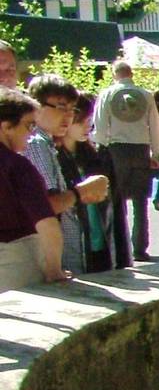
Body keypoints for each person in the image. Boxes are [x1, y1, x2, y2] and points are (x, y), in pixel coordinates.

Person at [24, 74, 110, 278]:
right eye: (61, 107)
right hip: (51, 261)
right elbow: (47, 207)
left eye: (73, 109)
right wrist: (82, 192)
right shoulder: (36, 143)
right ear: (36, 105)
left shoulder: (48, 143)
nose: (68, 116)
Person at [0, 86, 69, 288]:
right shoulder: (16, 166)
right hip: (15, 262)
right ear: (6, 126)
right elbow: (47, 223)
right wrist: (55, 270)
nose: (31, 133)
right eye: (29, 125)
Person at [57, 93, 115, 273]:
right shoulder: (54, 156)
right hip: (72, 245)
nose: (88, 125)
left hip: (100, 239)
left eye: (90, 119)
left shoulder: (95, 155)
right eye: (81, 120)